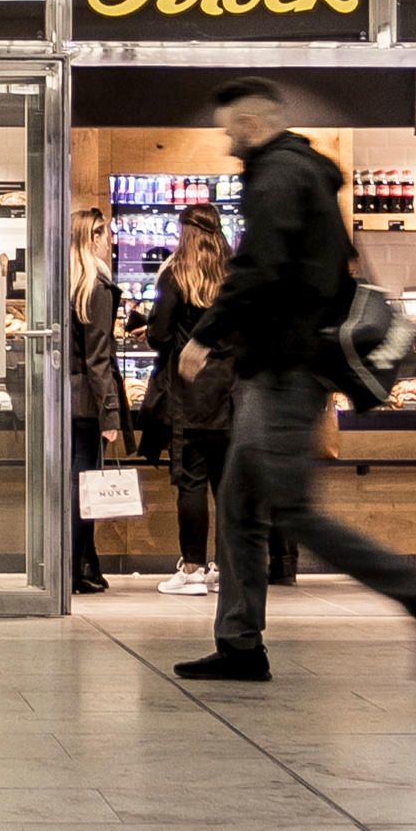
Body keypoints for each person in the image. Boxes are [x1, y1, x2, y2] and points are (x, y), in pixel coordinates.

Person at [174, 76, 416, 684]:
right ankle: (240, 645)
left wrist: (206, 332)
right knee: (244, 507)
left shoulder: (277, 176)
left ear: (249, 126)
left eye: (227, 132)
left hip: (285, 369)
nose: (226, 145)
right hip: (283, 366)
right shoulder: (308, 174)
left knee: (290, 509)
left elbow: (262, 267)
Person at [135, 201, 264, 600]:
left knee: (190, 483)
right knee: (228, 487)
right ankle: (227, 569)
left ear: (185, 232)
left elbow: (159, 334)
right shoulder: (237, 274)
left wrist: (153, 332)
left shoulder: (175, 273)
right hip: (234, 394)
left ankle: (192, 571)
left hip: (189, 395)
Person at [65, 204, 120, 595]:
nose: (111, 241)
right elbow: (98, 358)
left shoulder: (64, 285)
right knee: (84, 488)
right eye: (106, 235)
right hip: (86, 403)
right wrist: (111, 414)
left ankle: (82, 564)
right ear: (93, 239)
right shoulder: (96, 289)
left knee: (71, 484)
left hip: (62, 400)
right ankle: (75, 568)